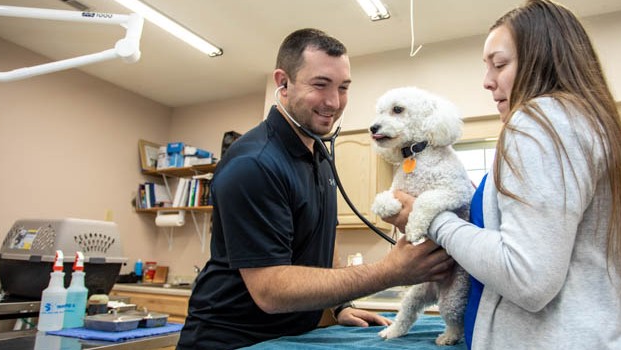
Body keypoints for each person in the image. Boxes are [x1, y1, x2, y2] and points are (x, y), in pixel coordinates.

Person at [382, 1, 621, 348]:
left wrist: (432, 219)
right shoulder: (586, 122)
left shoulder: (540, 121)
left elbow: (526, 277)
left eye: (499, 64)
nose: (487, 81)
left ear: (541, 61)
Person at [176, 28, 455, 350]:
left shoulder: (317, 151)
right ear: (283, 82)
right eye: (320, 85)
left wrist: (341, 306)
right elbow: (271, 290)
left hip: (290, 336)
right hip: (231, 340)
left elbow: (322, 235)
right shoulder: (253, 164)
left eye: (343, 88)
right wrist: (390, 271)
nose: (334, 102)